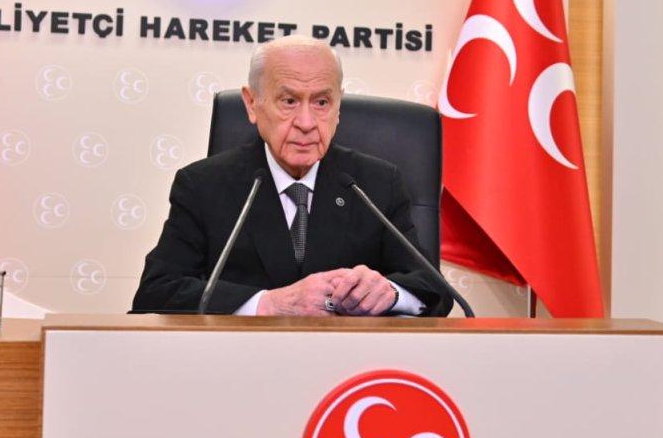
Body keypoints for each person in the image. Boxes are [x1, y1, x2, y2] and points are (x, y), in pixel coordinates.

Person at [131, 36, 452, 316]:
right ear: (252, 104)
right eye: (288, 101)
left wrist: (391, 293)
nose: (306, 122)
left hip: (350, 361)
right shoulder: (203, 186)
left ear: (338, 107)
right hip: (240, 360)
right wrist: (267, 304)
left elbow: (433, 289)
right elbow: (156, 292)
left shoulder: (375, 184)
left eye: (322, 102)